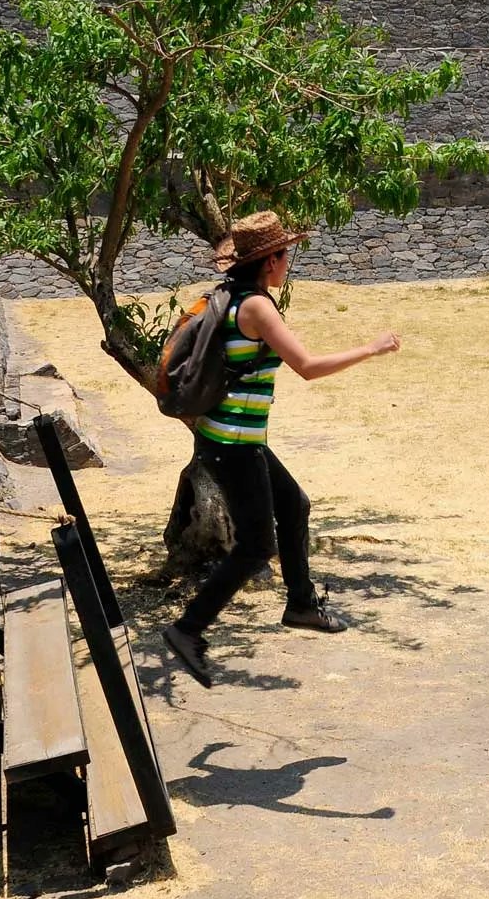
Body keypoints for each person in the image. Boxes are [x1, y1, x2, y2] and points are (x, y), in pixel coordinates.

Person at [161, 211, 400, 687]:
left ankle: (301, 604)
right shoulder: (256, 307)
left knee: (295, 505)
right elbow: (307, 366)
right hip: (234, 443)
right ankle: (188, 630)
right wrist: (371, 349)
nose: (289, 262)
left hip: (231, 438)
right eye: (286, 254)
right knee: (256, 547)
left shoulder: (231, 296)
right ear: (270, 260)